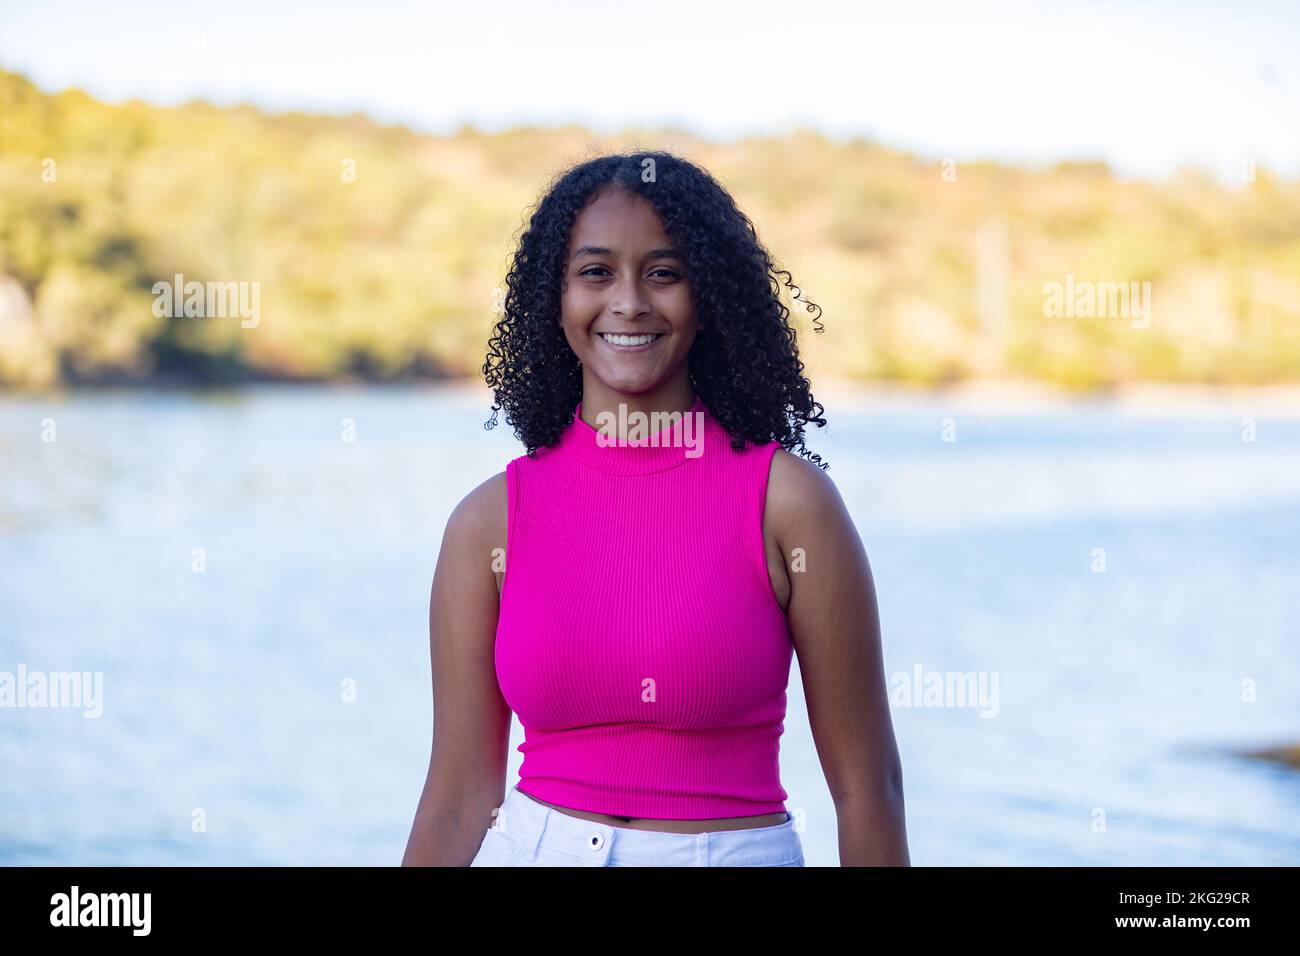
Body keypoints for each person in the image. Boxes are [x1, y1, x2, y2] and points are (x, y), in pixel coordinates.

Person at [402, 151, 909, 866]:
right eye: (596, 272)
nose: (630, 302)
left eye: (664, 273)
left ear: (709, 300)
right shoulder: (491, 521)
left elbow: (867, 790)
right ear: (557, 297)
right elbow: (457, 797)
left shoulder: (787, 503)